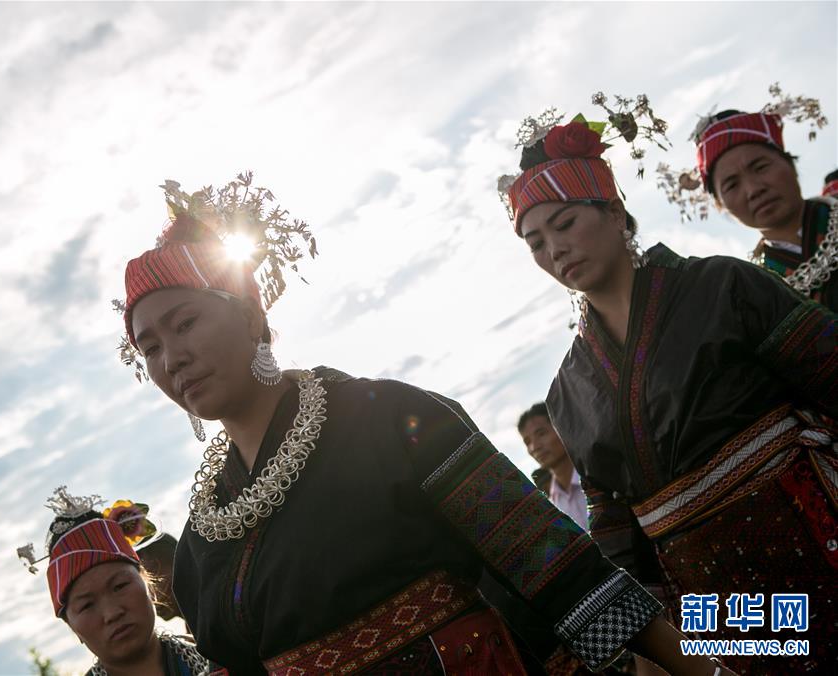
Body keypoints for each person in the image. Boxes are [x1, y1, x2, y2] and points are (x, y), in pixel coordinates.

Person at [117, 175, 728, 675]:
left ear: (251, 316)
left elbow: (554, 563)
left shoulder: (388, 419)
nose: (171, 357)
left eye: (185, 323)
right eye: (149, 347)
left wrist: (699, 671)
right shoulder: (203, 543)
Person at [501, 110, 837, 674]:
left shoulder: (723, 285)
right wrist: (664, 653)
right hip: (712, 607)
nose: (554, 249)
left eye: (564, 224)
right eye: (535, 241)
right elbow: (615, 535)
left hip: (813, 535)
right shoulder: (567, 392)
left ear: (614, 214)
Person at [17, 488, 223, 676]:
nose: (112, 613)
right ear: (71, 625)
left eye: (120, 586)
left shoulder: (225, 660)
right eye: (87, 605)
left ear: (147, 583)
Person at [691, 107, 837, 309]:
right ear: (720, 204)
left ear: (789, 162)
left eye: (760, 167)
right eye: (732, 185)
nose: (753, 190)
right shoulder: (753, 293)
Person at [518, 402, 588, 530]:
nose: (535, 447)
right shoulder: (552, 508)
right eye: (527, 442)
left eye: (541, 433)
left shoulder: (597, 477)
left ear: (561, 427)